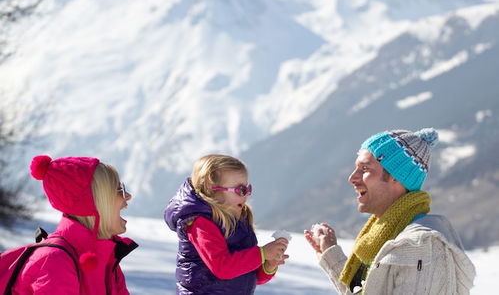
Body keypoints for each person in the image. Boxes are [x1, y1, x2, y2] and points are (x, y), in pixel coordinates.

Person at [304, 128, 476, 294]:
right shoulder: (385, 238)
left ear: (396, 176)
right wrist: (329, 253)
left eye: (365, 169)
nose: (352, 178)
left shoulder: (420, 247)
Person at [11, 155, 138, 294]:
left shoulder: (107, 259)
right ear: (93, 203)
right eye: (119, 190)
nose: (128, 196)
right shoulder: (55, 262)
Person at [164, 154, 289, 294]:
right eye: (240, 190)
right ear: (212, 190)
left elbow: (248, 274)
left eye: (248, 189)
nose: (246, 195)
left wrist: (268, 264)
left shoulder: (239, 219)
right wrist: (262, 253)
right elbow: (223, 267)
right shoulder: (200, 224)